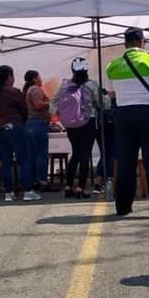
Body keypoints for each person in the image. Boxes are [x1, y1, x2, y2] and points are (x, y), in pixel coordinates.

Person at [105, 27, 149, 218]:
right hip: (148, 113)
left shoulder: (112, 65)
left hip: (123, 114)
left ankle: (123, 206)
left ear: (125, 43)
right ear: (143, 42)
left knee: (126, 161)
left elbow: (112, 94)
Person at [51, 57, 104, 198]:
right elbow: (103, 104)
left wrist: (63, 117)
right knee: (85, 154)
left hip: (70, 125)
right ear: (86, 69)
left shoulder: (64, 85)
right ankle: (80, 188)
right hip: (88, 122)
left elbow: (53, 104)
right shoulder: (92, 85)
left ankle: (68, 187)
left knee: (75, 153)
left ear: (72, 69)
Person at [0, 65, 40, 202]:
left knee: (6, 161)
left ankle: (9, 193)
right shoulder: (15, 92)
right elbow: (23, 111)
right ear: (9, 77)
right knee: (23, 159)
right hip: (14, 127)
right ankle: (28, 191)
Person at [23, 70, 56, 192]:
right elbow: (37, 105)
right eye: (39, 77)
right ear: (35, 78)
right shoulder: (35, 89)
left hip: (31, 125)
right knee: (41, 155)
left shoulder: (29, 90)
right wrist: (51, 103)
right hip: (38, 124)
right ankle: (43, 181)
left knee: (32, 155)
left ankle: (34, 181)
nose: (41, 79)